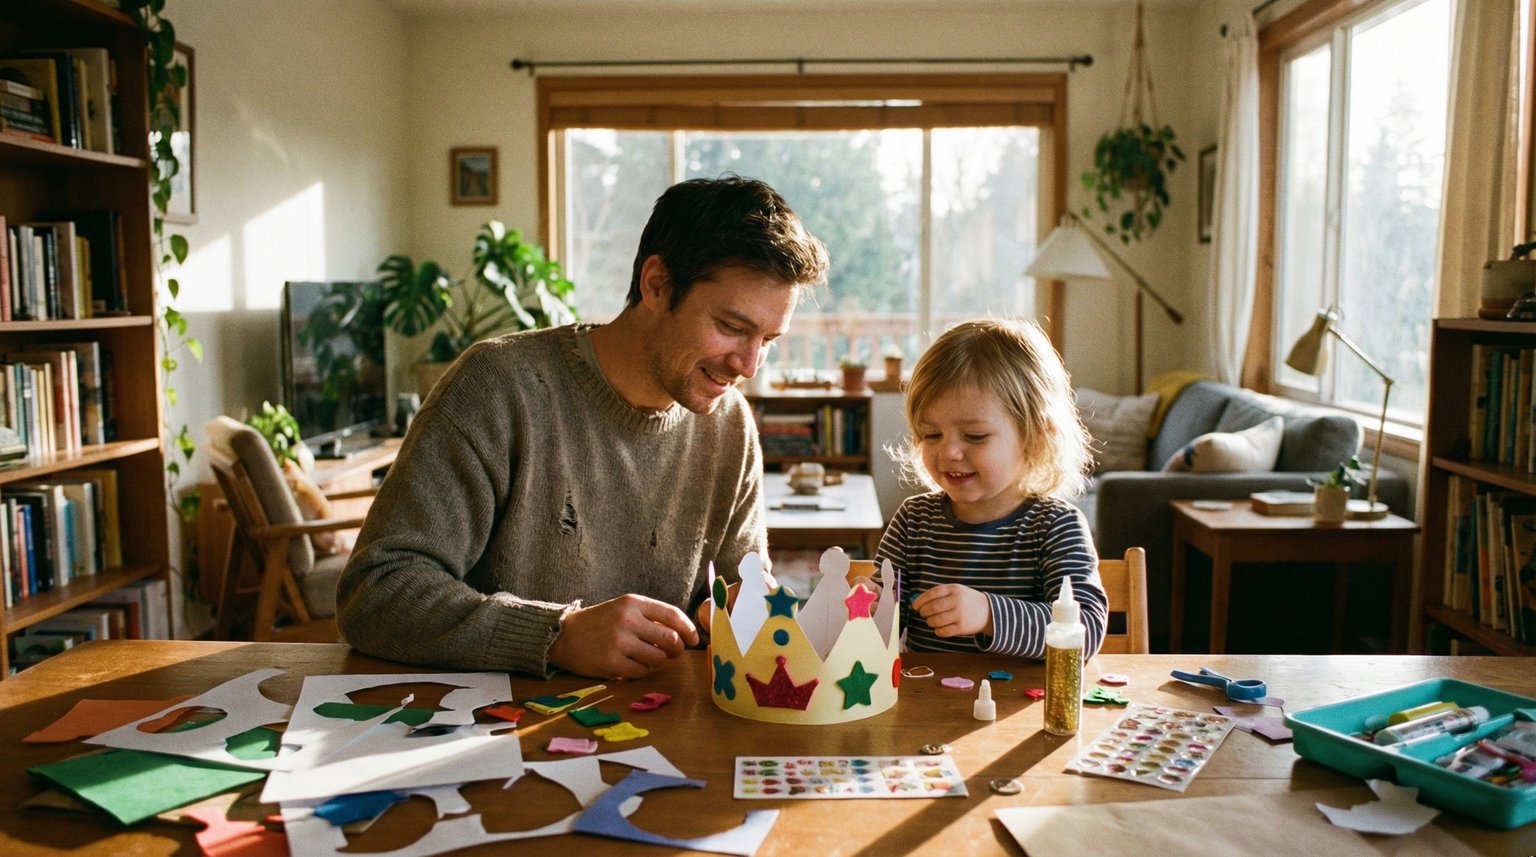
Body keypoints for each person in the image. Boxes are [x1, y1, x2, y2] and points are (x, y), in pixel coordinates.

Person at [336, 176, 829, 679]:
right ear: (656, 284)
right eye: (732, 327)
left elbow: (740, 584)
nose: (749, 365)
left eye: (768, 339)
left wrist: (740, 609)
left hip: (654, 729)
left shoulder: (729, 423)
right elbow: (376, 591)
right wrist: (557, 636)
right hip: (494, 734)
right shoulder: (499, 387)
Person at [876, 318, 1108, 659]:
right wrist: (866, 608)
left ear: (1036, 439)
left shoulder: (1055, 526)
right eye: (931, 434)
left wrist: (989, 615)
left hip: (1021, 710)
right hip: (924, 708)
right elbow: (885, 623)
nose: (949, 452)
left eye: (975, 436)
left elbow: (1084, 631)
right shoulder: (914, 520)